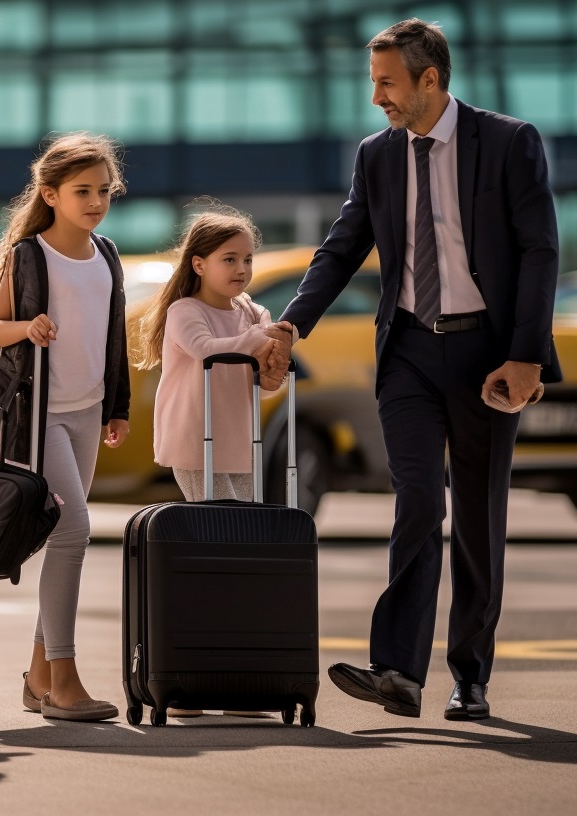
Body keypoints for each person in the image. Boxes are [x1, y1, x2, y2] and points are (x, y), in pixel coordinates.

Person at [274, 19, 562, 720]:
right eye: (373, 82)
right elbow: (342, 247)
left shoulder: (506, 142)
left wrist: (524, 356)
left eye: (385, 82)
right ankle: (397, 670)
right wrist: (291, 323)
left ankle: (470, 675)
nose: (375, 97)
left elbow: (538, 251)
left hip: (486, 355)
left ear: (429, 79)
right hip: (405, 349)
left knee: (474, 515)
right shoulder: (376, 156)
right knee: (416, 503)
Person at [0, 132, 131, 723]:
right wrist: (28, 328)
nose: (95, 201)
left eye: (104, 190)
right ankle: (64, 679)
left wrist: (116, 405)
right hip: (38, 414)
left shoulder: (108, 254)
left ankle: (40, 677)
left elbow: (112, 336)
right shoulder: (29, 257)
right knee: (72, 533)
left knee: (64, 543)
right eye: (82, 191)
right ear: (50, 194)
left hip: (88, 412)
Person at [131, 203, 287, 718]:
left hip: (239, 443)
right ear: (198, 264)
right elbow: (206, 352)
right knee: (213, 545)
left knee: (239, 553)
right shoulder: (185, 312)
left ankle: (236, 676)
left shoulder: (253, 312)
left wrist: (272, 366)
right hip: (195, 441)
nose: (241, 270)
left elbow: (262, 381)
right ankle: (194, 674)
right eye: (229, 258)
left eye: (247, 259)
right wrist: (261, 341)